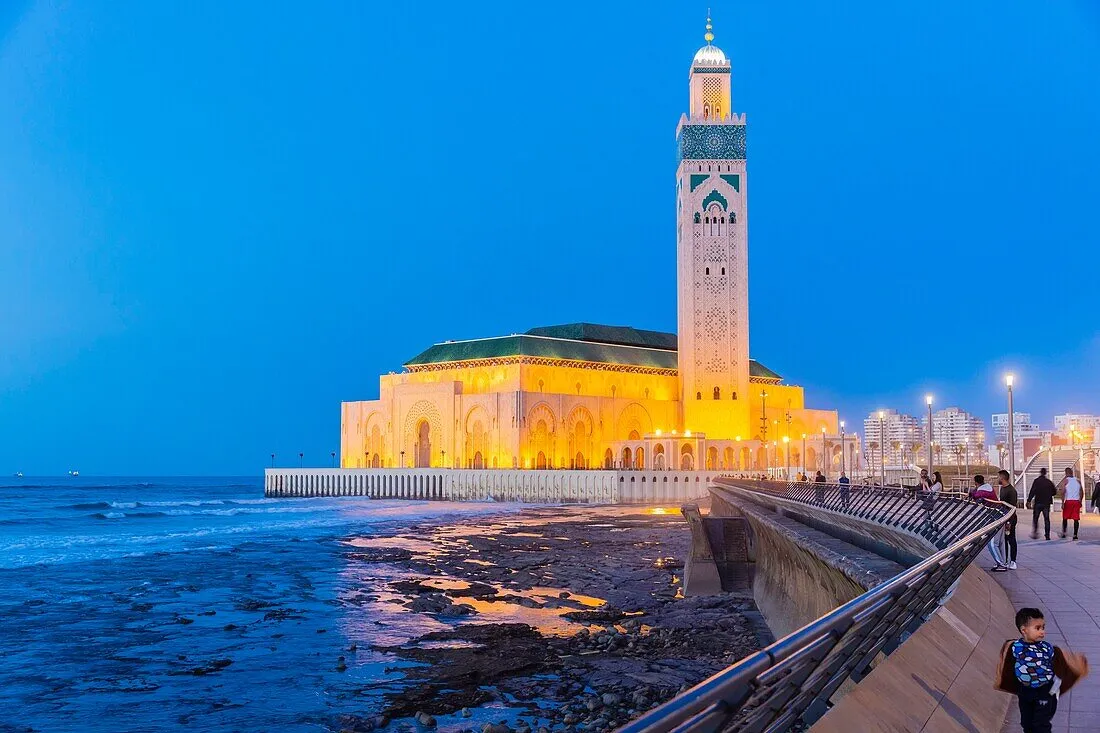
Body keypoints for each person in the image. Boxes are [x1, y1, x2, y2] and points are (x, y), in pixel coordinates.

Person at [995, 607, 1089, 733]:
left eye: (1043, 628)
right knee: (1026, 723)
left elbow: (1062, 660)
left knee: (1041, 724)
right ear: (1024, 630)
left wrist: (1075, 664)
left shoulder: (1047, 648)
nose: (1042, 632)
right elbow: (1006, 661)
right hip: (1025, 691)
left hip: (1044, 691)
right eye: (1037, 628)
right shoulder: (1015, 647)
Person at [973, 475, 1007, 571]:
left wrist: (972, 493)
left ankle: (1001, 564)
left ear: (976, 482)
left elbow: (976, 495)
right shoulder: (988, 487)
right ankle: (1001, 562)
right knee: (999, 542)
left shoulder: (983, 490)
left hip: (996, 516)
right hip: (999, 514)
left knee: (992, 543)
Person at [1027, 468, 1056, 540]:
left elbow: (1032, 491)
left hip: (1038, 502)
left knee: (1035, 518)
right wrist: (1048, 493)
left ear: (1040, 473)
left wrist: (1029, 501)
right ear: (1045, 473)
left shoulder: (1036, 481)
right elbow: (1054, 492)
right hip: (1046, 503)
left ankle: (1035, 533)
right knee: (1046, 519)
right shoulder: (1049, 482)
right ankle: (1047, 535)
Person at [999, 469, 1019, 570]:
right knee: (1004, 541)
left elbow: (1013, 508)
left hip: (1010, 520)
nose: (998, 479)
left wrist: (1009, 522)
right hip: (1003, 518)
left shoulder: (1011, 491)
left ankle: (1013, 561)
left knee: (1011, 540)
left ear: (1003, 478)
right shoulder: (1002, 488)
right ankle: (1005, 560)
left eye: (999, 477)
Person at [1057, 467, 1082, 540]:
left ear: (1066, 473)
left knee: (1065, 518)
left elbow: (1063, 492)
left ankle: (1064, 533)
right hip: (1076, 501)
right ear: (1072, 473)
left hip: (1068, 501)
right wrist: (1080, 501)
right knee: (1076, 519)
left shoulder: (1065, 481)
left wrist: (1062, 502)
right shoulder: (1078, 480)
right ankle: (1075, 535)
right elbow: (1081, 491)